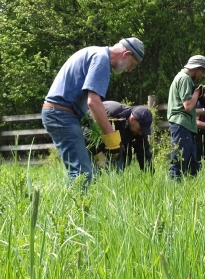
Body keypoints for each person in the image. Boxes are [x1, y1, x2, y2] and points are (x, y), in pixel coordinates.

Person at [42, 37, 144, 184]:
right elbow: (94, 103)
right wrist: (113, 140)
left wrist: (93, 126)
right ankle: (77, 207)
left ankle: (69, 204)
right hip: (61, 114)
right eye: (132, 64)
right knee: (82, 173)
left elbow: (83, 100)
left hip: (60, 113)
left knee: (77, 170)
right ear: (126, 54)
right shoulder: (102, 60)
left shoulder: (95, 53)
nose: (129, 70)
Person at [167, 55, 205, 181]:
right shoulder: (185, 79)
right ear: (196, 68)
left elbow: (190, 110)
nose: (202, 74)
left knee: (192, 163)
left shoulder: (184, 78)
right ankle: (174, 190)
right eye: (203, 71)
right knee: (179, 160)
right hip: (181, 124)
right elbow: (188, 106)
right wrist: (197, 92)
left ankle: (189, 192)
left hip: (186, 124)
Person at [85, 101, 153, 172]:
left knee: (118, 171)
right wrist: (98, 155)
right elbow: (86, 132)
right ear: (132, 119)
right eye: (139, 129)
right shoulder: (112, 114)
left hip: (115, 149)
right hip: (92, 145)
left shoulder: (140, 130)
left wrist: (149, 174)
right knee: (94, 173)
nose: (140, 133)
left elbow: (144, 152)